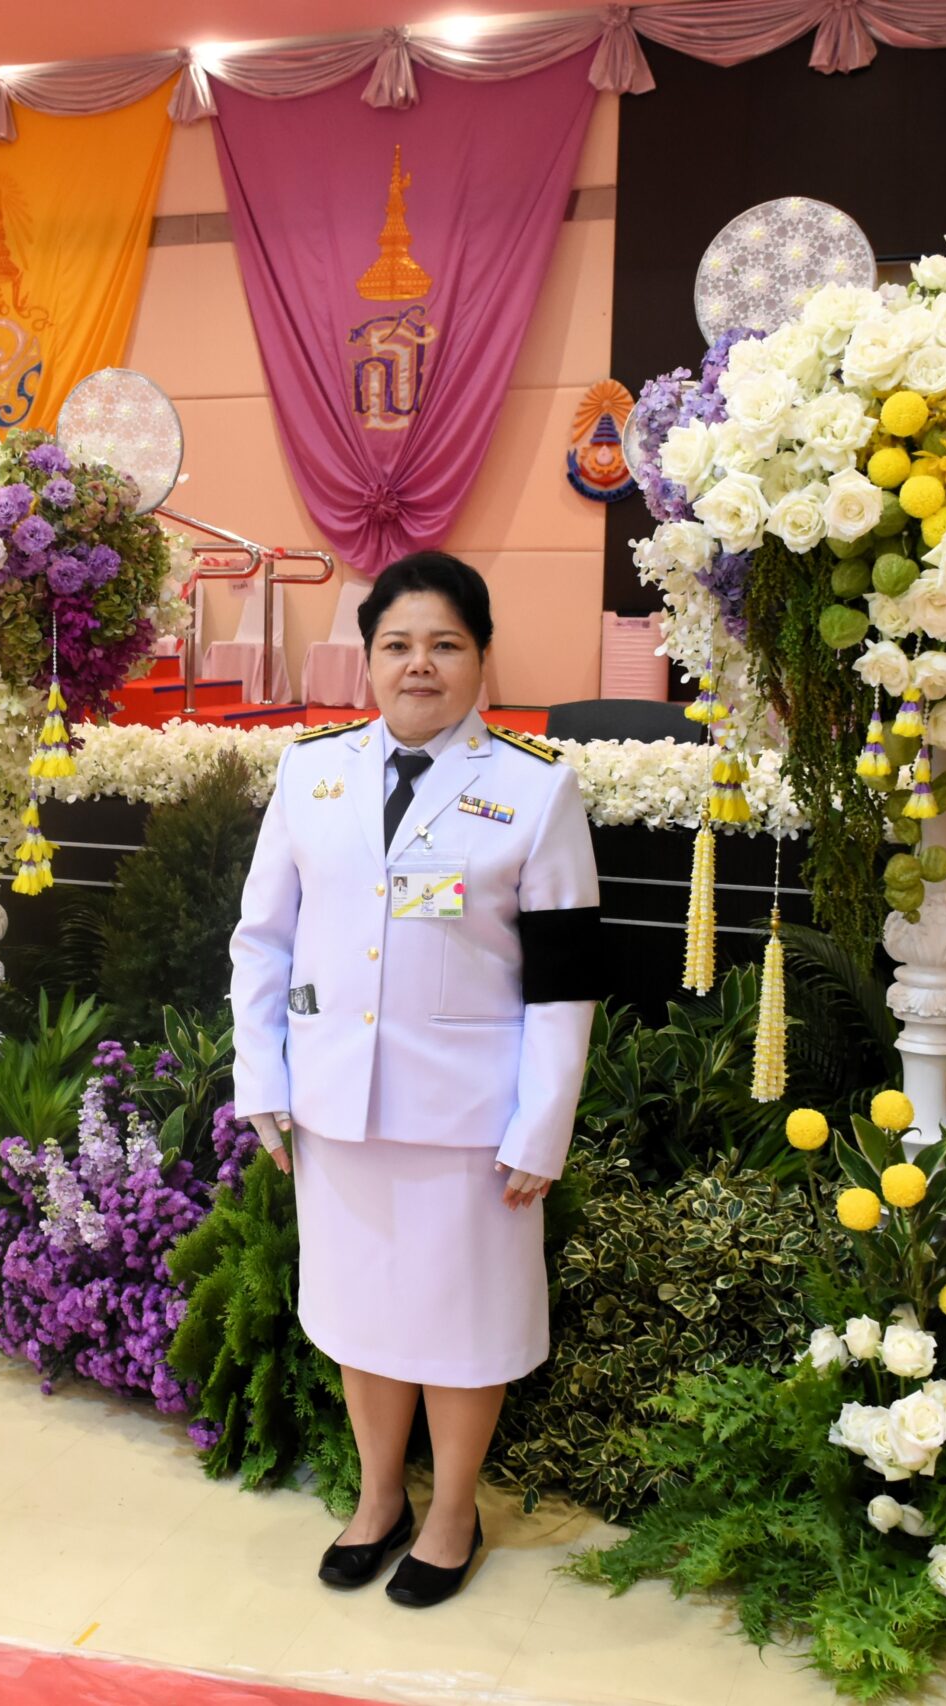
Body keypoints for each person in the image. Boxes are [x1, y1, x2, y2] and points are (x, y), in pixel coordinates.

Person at [228, 551, 602, 1608]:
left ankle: (452, 1514)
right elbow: (263, 939)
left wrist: (542, 1124)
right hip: (336, 1106)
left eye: (444, 643)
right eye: (397, 643)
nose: (419, 664)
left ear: (481, 657)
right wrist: (264, 1075)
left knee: (463, 1324)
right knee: (361, 1314)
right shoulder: (310, 775)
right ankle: (381, 1497)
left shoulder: (534, 789)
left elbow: (565, 979)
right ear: (368, 657)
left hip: (469, 1118)